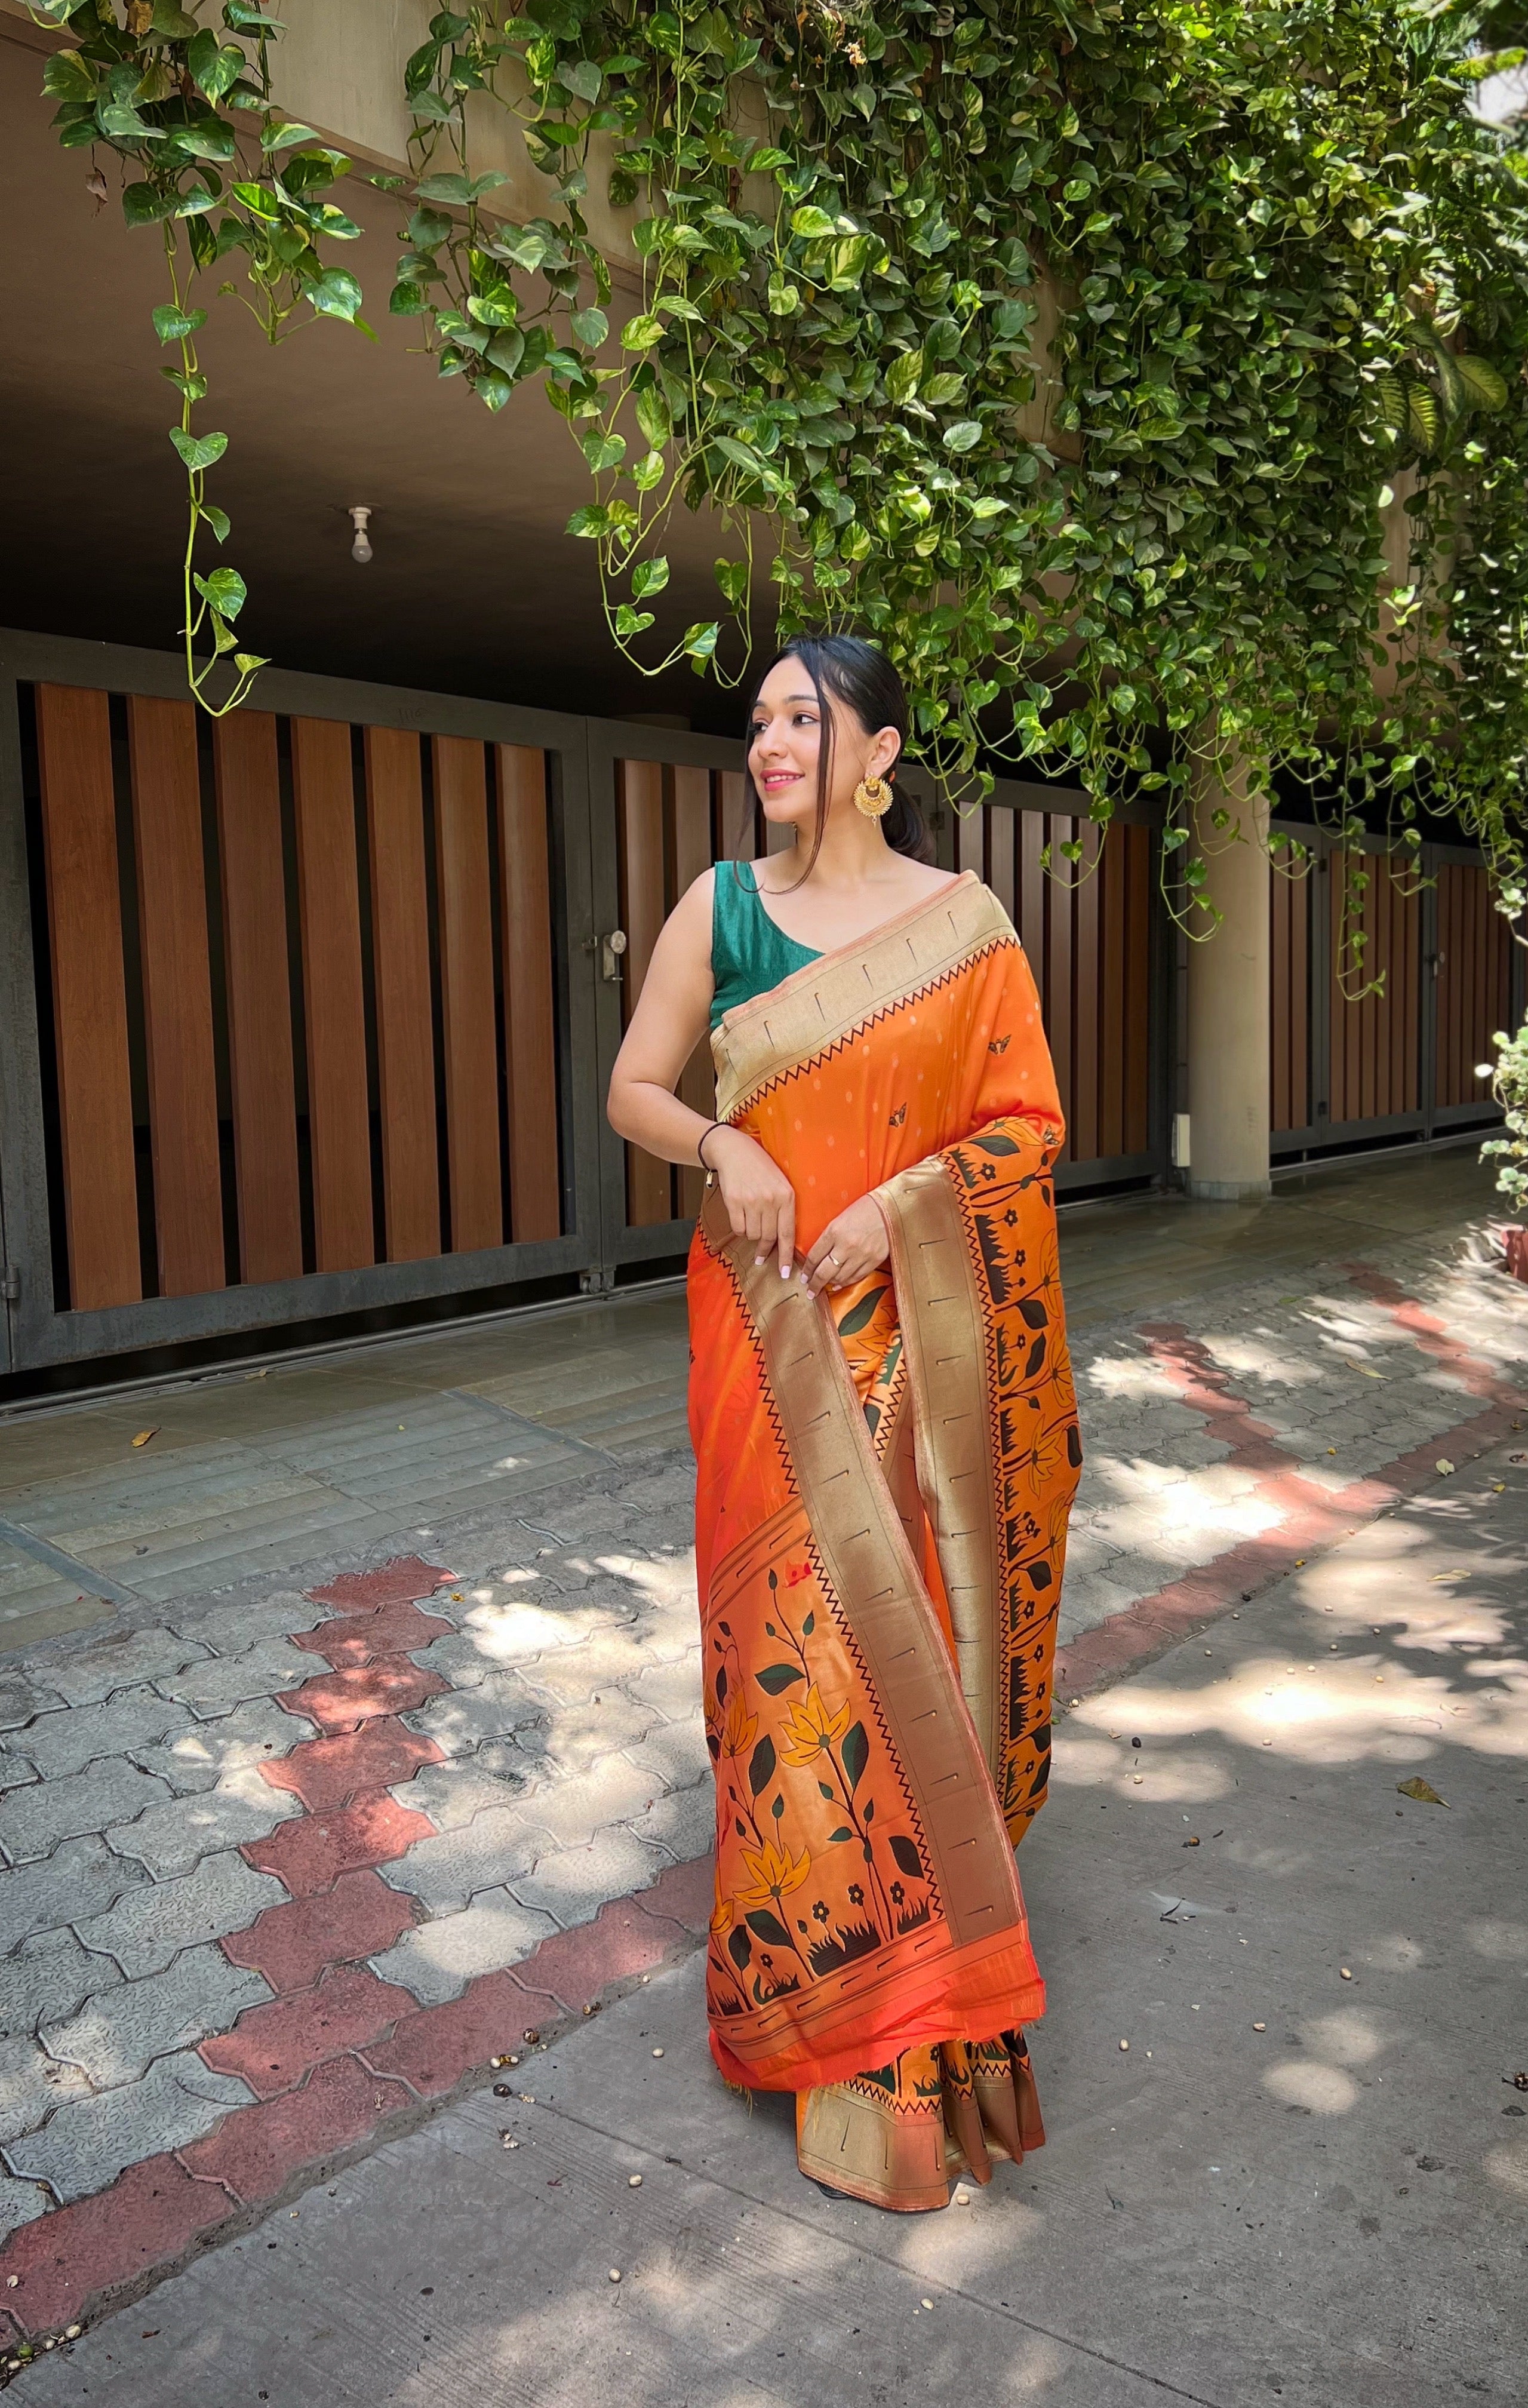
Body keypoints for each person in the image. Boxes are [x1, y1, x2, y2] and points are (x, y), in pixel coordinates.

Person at [607, 634, 1082, 2212]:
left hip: (915, 1355)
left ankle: (916, 2024)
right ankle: (809, 2001)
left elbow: (1023, 1126)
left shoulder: (963, 928)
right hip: (763, 1341)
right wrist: (715, 1151)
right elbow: (633, 1086)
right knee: (793, 1673)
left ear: (881, 750)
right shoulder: (721, 909)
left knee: (908, 1661)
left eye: (804, 718)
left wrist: (899, 1208)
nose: (771, 743)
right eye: (756, 723)